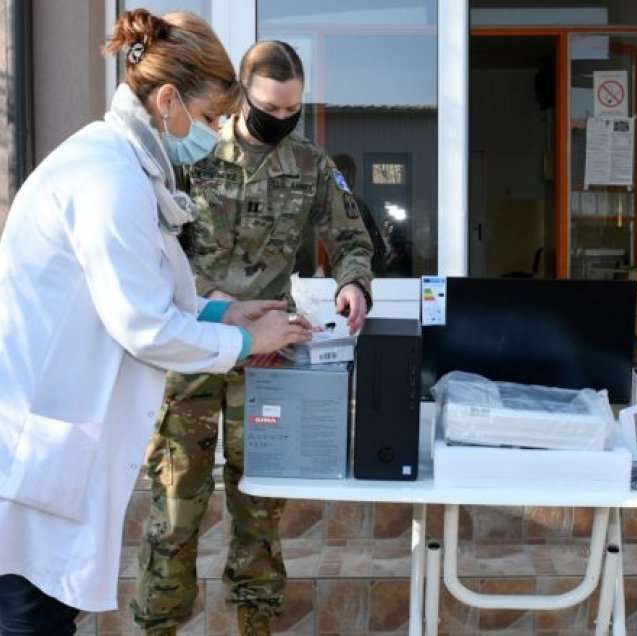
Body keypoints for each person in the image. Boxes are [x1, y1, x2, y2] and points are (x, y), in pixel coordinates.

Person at [0, 10, 311, 635]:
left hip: (59, 456)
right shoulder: (107, 178)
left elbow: (156, 295)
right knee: (30, 620)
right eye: (206, 119)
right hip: (37, 460)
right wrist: (249, 340)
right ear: (167, 100)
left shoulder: (128, 171)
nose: (212, 133)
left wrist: (226, 310)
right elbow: (143, 325)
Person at [131, 41, 374, 636]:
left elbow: (351, 236)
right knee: (174, 510)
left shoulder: (312, 164)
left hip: (266, 356)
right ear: (243, 94)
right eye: (271, 107)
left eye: (294, 110)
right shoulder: (191, 153)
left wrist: (354, 284)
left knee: (259, 512)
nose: (283, 119)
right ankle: (160, 625)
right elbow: (153, 254)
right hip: (193, 344)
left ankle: (256, 627)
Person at [332, 153, 388, 274]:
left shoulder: (356, 206)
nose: (347, 181)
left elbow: (376, 247)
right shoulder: (322, 206)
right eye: (342, 176)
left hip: (361, 274)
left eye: (350, 176)